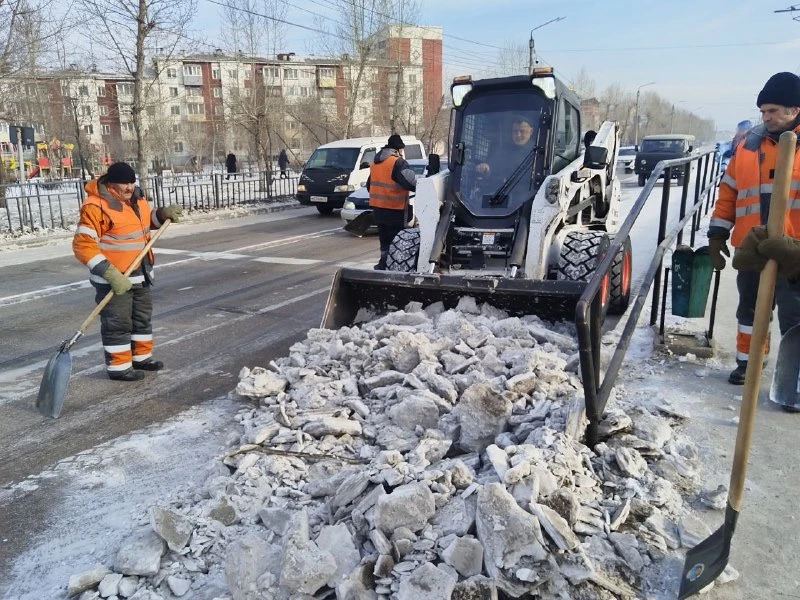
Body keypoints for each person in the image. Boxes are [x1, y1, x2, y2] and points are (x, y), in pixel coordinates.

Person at [708, 71, 800, 389]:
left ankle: (793, 381)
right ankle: (749, 364)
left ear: (795, 109)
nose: (766, 117)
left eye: (773, 110)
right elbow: (729, 192)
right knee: (750, 310)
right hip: (753, 248)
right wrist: (717, 233)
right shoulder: (748, 146)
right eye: (763, 111)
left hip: (794, 253)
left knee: (795, 317)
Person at [72, 162, 183, 382]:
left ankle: (141, 358)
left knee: (141, 320)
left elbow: (144, 224)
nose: (130, 187)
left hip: (141, 273)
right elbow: (83, 246)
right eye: (124, 184)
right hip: (114, 279)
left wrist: (162, 214)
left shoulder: (137, 199)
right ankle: (119, 367)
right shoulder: (96, 206)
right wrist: (110, 274)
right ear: (111, 184)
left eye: (132, 183)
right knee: (118, 324)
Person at [367, 134, 417, 270]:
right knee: (396, 240)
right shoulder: (398, 162)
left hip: (378, 209)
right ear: (398, 149)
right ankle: (392, 266)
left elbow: (369, 185)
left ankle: (383, 264)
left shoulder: (376, 163)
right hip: (395, 209)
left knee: (384, 240)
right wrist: (422, 187)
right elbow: (409, 182)